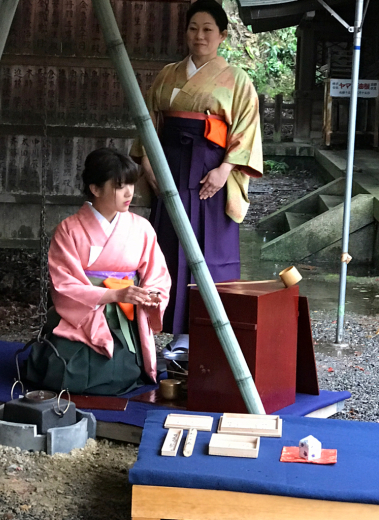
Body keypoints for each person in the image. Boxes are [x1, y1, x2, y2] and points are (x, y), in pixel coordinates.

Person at [130, 0, 263, 337]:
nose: (199, 36)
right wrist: (147, 161)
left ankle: (206, 332)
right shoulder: (167, 74)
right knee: (168, 245)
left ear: (222, 35)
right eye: (193, 29)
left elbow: (246, 128)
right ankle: (168, 328)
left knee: (211, 249)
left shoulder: (238, 79)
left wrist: (225, 169)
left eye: (207, 30)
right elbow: (149, 122)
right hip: (169, 166)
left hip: (211, 173)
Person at [25, 148, 171, 396]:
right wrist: (113, 295)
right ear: (95, 189)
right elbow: (64, 284)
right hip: (84, 314)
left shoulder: (142, 228)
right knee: (64, 373)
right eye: (119, 186)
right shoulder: (69, 229)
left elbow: (157, 274)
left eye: (131, 185)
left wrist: (152, 294)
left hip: (126, 316)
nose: (129, 193)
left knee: (121, 371)